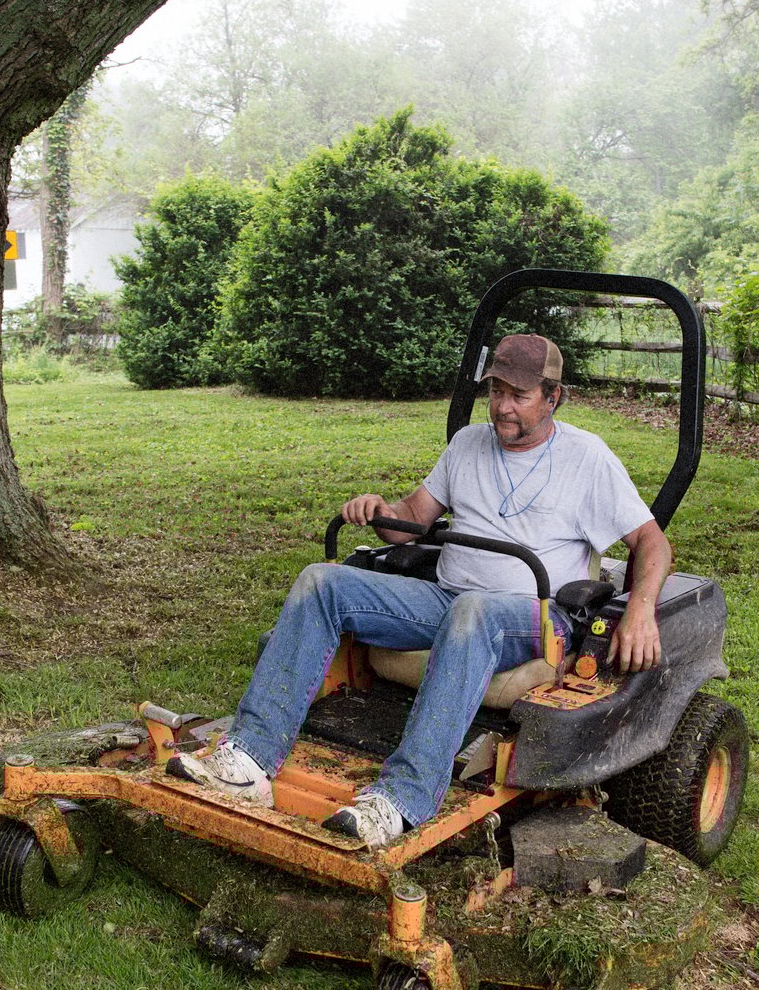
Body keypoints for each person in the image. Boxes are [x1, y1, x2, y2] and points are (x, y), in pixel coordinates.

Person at [175, 332, 673, 846]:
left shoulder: (587, 459)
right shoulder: (467, 445)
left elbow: (652, 542)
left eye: (518, 396)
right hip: (447, 598)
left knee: (473, 611)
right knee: (321, 582)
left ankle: (403, 798)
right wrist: (379, 512)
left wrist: (640, 609)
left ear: (553, 397)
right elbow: (413, 518)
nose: (502, 408)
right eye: (495, 391)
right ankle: (250, 757)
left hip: (534, 616)